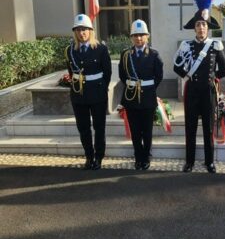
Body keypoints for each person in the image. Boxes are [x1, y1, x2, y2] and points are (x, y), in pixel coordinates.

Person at [173, 0, 225, 173]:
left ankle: (209, 161)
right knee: (190, 127)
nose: (201, 28)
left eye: (204, 24)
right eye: (198, 24)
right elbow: (176, 66)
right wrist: (187, 75)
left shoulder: (215, 46)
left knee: (208, 127)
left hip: (208, 92)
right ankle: (189, 161)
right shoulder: (186, 46)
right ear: (194, 28)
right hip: (192, 91)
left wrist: (213, 79)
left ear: (208, 27)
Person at [65, 14, 112, 170]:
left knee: (99, 127)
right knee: (83, 127)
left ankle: (98, 157)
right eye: (78, 30)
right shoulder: (70, 50)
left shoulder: (101, 49)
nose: (81, 33)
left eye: (84, 29)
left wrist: (101, 89)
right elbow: (71, 73)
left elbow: (107, 73)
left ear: (90, 31)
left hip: (97, 93)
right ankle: (89, 156)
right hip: (78, 95)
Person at [118, 19, 163, 170]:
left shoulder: (154, 54)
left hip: (148, 98)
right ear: (131, 37)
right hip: (131, 98)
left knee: (147, 130)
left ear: (147, 36)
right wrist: (134, 87)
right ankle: (138, 156)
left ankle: (146, 155)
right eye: (135, 35)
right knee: (135, 130)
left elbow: (159, 76)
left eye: (142, 35)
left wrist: (146, 88)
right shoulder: (125, 55)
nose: (139, 38)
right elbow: (123, 76)